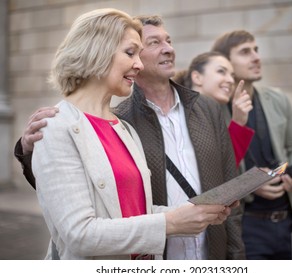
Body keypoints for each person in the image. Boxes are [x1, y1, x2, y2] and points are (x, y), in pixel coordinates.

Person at [14, 15, 245, 260]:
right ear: (97, 51)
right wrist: (170, 223)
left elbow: (136, 210)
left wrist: (195, 212)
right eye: (130, 53)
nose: (139, 64)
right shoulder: (57, 126)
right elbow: (79, 235)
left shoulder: (123, 128)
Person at [212, 30, 292, 259]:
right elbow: (215, 169)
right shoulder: (214, 108)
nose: (256, 57)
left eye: (256, 50)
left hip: (287, 220)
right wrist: (250, 184)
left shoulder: (277, 98)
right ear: (226, 62)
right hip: (246, 225)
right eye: (245, 52)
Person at [173, 51, 254, 167]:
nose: (231, 80)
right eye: (221, 71)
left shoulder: (213, 115)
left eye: (232, 75)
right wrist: (238, 123)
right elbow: (217, 168)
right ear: (197, 77)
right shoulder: (180, 113)